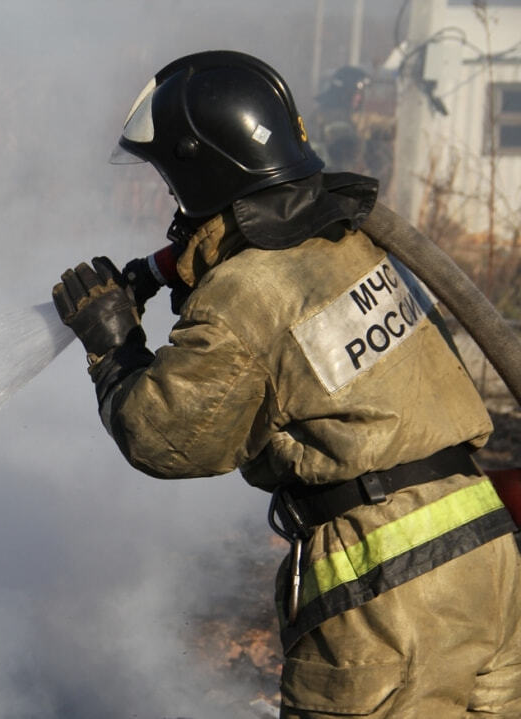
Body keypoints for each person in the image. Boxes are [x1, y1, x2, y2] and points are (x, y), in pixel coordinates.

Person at [52, 50, 521, 717]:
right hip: (486, 556)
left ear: (202, 168)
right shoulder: (347, 243)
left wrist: (113, 344)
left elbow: (163, 434)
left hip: (388, 588)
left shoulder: (248, 293)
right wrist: (174, 272)